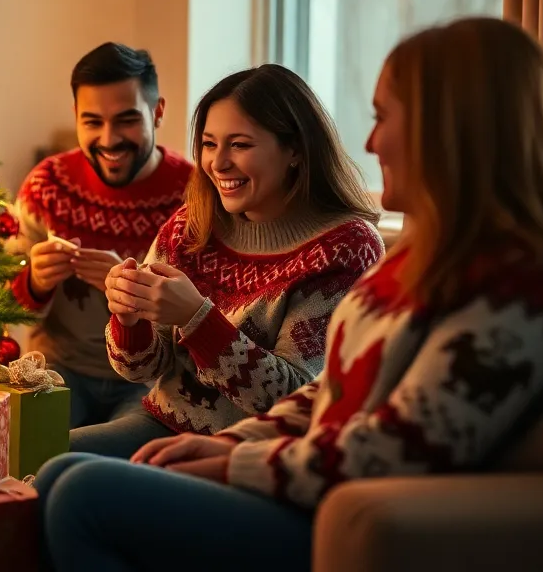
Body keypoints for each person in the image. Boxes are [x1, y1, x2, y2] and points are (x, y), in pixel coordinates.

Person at [37, 17, 543, 572]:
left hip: (316, 500)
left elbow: (396, 443)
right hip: (244, 448)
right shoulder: (424, 257)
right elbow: (326, 394)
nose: (370, 142)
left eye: (384, 118)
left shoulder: (514, 292)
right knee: (50, 471)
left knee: (79, 493)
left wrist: (233, 447)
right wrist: (134, 320)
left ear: (453, 130)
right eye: (210, 145)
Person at [73, 63, 384, 458]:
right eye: (209, 144)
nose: (218, 163)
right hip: (162, 423)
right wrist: (128, 318)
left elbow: (290, 400)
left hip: (255, 453)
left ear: (295, 150)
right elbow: (141, 370)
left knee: (75, 478)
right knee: (46, 458)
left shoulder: (346, 248)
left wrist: (197, 318)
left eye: (239, 145)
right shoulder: (191, 225)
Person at [8, 43, 194, 428]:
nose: (109, 140)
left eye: (126, 120)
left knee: (114, 454)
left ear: (157, 112)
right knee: (32, 446)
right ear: (76, 116)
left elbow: (209, 313)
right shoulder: (46, 186)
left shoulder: (194, 195)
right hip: (58, 370)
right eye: (93, 122)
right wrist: (36, 281)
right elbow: (4, 308)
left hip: (152, 381)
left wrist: (132, 289)